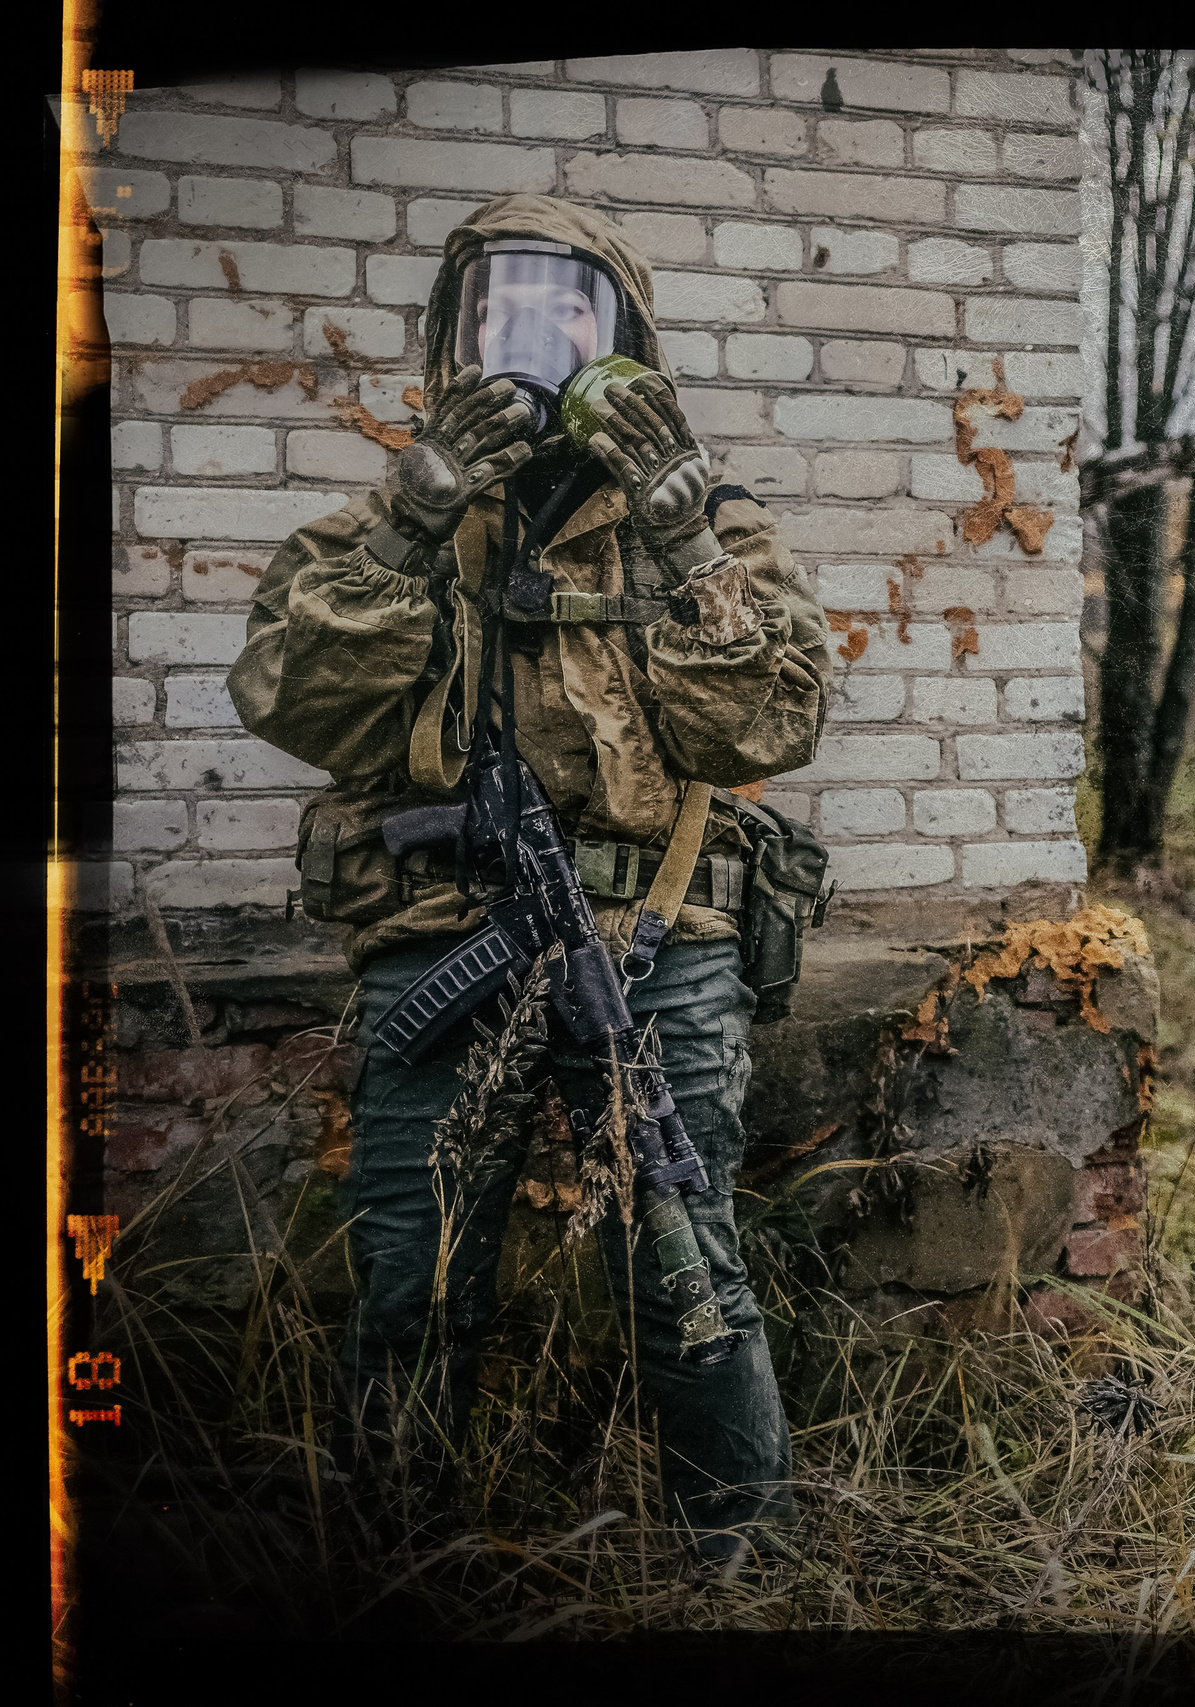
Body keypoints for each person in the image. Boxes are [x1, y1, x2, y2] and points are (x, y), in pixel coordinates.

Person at [227, 193, 832, 1568]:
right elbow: (286, 696)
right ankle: (397, 1561)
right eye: (504, 307)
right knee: (410, 1268)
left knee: (684, 1253)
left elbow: (773, 727)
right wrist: (409, 522)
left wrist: (687, 552)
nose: (540, 335)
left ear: (625, 334)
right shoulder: (398, 517)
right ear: (456, 335)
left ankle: (733, 1554)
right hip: (447, 931)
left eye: (575, 305)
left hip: (657, 933)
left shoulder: (708, 523)